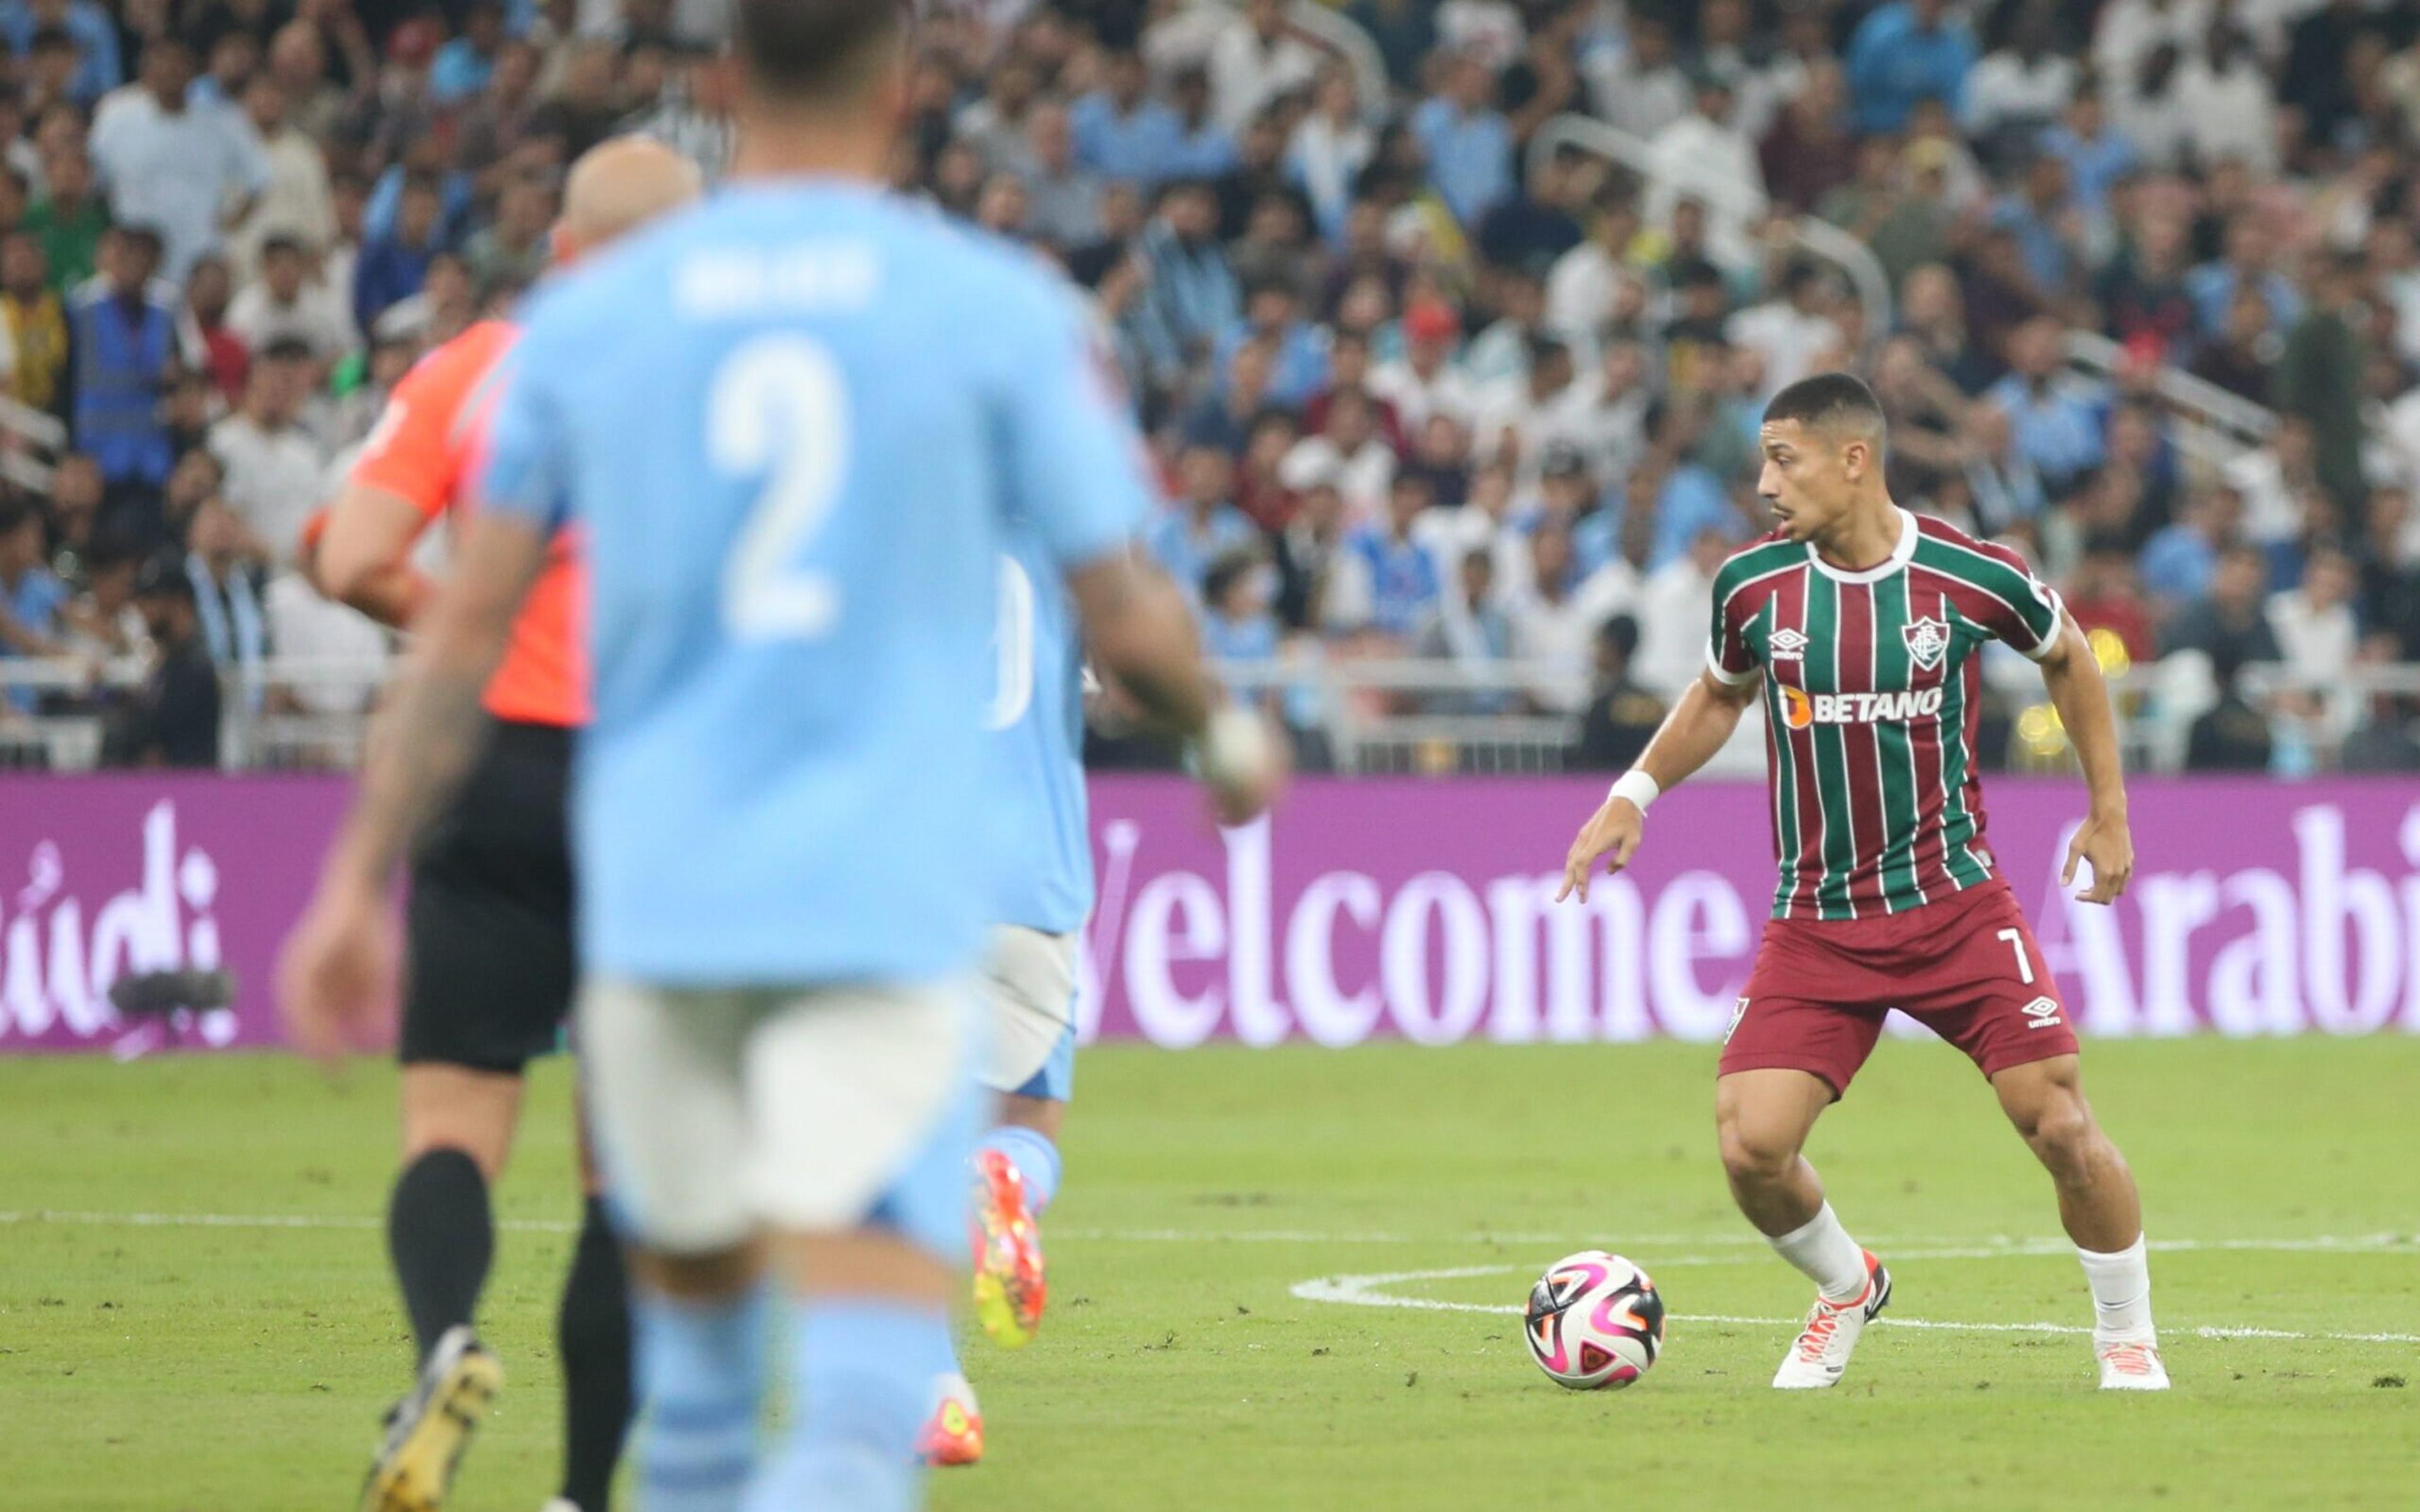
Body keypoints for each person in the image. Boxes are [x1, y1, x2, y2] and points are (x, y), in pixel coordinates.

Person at [277, 9, 1280, 1512]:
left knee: (693, 1385)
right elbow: (1125, 606)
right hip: (872, 891)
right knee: (867, 1378)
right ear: (904, 91)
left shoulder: (595, 326)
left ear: (729, 90)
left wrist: (358, 881)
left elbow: (463, 630)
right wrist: (1222, 733)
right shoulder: (987, 310)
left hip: (665, 893)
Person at [1557, 373, 2167, 1392]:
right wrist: (1635, 791)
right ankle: (1847, 1284)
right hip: (1819, 922)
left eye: (1782, 459)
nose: (1763, 483)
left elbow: (2071, 661)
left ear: (1854, 459)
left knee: (2058, 1120)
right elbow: (1718, 693)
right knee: (1751, 1148)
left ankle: (2127, 1335)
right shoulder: (1754, 589)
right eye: (1761, 460)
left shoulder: (1970, 576)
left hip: (1955, 905)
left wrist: (2108, 809)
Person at [305, 137, 705, 1512]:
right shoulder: (743, 391)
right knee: (623, 1181)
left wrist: (469, 631)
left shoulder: (474, 368)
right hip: (657, 791)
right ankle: (585, 1497)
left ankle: (445, 1348)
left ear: (559, 251)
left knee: (452, 1123)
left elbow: (352, 556)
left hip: (493, 772)